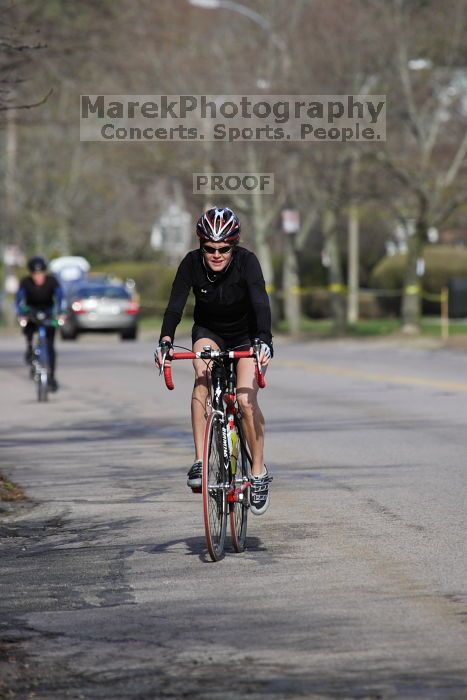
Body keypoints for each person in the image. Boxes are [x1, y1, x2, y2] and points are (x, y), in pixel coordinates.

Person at [155, 206, 274, 515]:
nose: (217, 254)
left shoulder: (247, 262)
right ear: (201, 244)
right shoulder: (191, 264)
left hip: (246, 336)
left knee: (246, 402)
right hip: (209, 332)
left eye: (224, 248)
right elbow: (175, 306)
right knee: (201, 375)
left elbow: (261, 302)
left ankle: (258, 472)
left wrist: (265, 341)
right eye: (210, 248)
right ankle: (199, 460)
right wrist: (166, 340)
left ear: (233, 246)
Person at [16, 256, 65, 392]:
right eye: (35, 274)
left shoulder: (52, 281)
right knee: (28, 329)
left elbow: (60, 297)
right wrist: (21, 313)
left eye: (41, 273)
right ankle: (30, 349)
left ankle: (52, 377)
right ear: (31, 274)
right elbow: (19, 299)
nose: (38, 277)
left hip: (48, 312)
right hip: (31, 311)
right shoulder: (25, 283)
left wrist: (60, 312)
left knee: (50, 347)